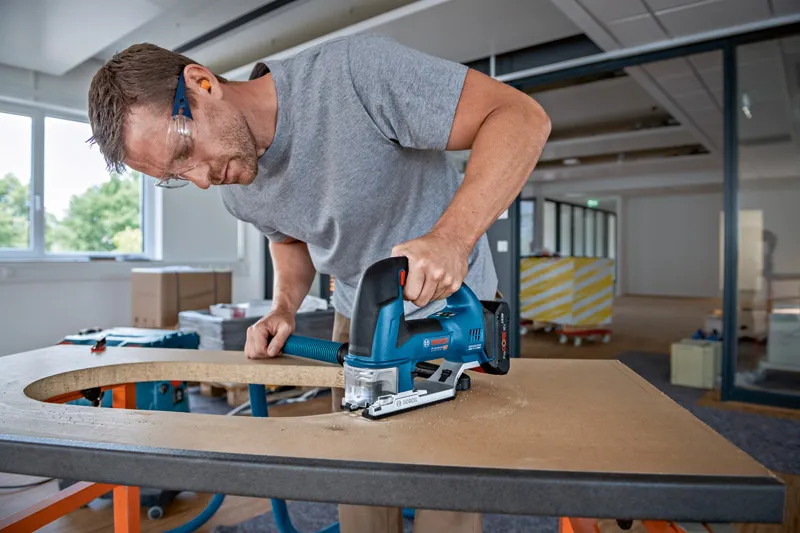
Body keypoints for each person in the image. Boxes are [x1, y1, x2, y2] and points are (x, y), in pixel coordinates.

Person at [87, 33, 550, 533]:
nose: (200, 179)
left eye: (185, 150)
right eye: (175, 175)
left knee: (446, 496)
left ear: (201, 83)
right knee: (359, 482)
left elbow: (521, 117)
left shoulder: (351, 75)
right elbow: (289, 241)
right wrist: (284, 305)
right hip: (359, 323)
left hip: (454, 312)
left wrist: (452, 238)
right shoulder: (237, 188)